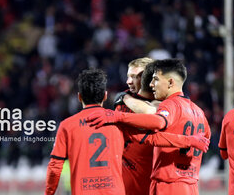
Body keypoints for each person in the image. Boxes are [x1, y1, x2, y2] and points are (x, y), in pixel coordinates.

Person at [45, 68, 210, 195]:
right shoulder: (117, 123)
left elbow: (55, 166)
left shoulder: (67, 126)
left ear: (79, 97)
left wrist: (49, 192)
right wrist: (190, 141)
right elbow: (154, 139)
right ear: (105, 96)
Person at [87, 59, 211, 195]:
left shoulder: (167, 106)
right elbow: (204, 140)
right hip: (189, 184)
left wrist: (119, 115)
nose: (129, 81)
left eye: (155, 79)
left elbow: (157, 122)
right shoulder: (199, 112)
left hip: (165, 183)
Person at [115, 58, 157, 195]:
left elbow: (151, 111)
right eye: (128, 76)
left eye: (134, 77)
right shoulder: (121, 104)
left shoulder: (165, 103)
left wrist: (124, 97)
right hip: (126, 183)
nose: (128, 81)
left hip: (153, 182)